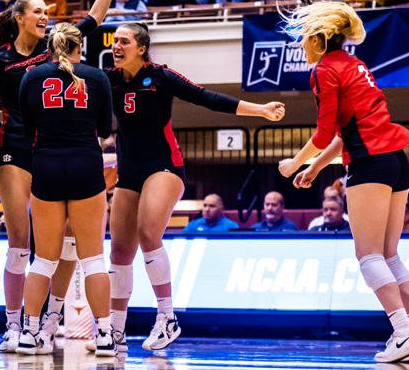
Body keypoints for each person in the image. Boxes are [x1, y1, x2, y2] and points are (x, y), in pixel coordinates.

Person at [100, 23, 285, 352]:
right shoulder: (108, 80)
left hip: (164, 167)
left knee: (147, 233)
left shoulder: (161, 76)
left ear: (141, 48)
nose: (116, 46)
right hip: (129, 173)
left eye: (124, 41)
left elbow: (207, 98)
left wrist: (260, 110)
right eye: (115, 41)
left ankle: (167, 318)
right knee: (119, 251)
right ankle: (115, 331)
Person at [278, 0, 409, 362]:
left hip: (370, 163)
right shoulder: (356, 65)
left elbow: (324, 134)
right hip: (396, 160)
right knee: (389, 255)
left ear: (318, 39)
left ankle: (402, 334)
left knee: (368, 256)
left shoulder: (324, 70)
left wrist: (294, 164)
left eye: (304, 38)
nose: (301, 44)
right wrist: (316, 169)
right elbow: (344, 133)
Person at [0, 0, 128, 353]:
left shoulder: (52, 50)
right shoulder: (0, 58)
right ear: (19, 17)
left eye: (47, 13)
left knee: (61, 246)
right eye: (37, 11)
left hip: (45, 150)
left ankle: (46, 322)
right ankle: (14, 325)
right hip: (19, 146)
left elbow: (95, 16)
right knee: (21, 242)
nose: (45, 16)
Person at [16, 22, 115, 356]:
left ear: (50, 46)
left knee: (43, 260)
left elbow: (27, 128)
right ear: (79, 46)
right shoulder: (97, 77)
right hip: (85, 164)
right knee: (94, 259)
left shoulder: (32, 77)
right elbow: (104, 129)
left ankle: (28, 332)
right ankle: (105, 335)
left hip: (47, 165)